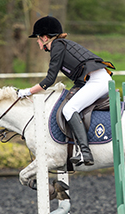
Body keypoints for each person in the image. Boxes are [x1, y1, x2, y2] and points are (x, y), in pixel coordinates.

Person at [18, 16, 115, 166]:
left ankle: (85, 152)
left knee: (69, 109)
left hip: (98, 81)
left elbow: (49, 80)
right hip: (96, 80)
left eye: (37, 38)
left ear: (45, 38)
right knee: (70, 104)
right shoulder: (61, 45)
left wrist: (28, 92)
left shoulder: (57, 46)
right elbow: (78, 79)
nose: (37, 42)